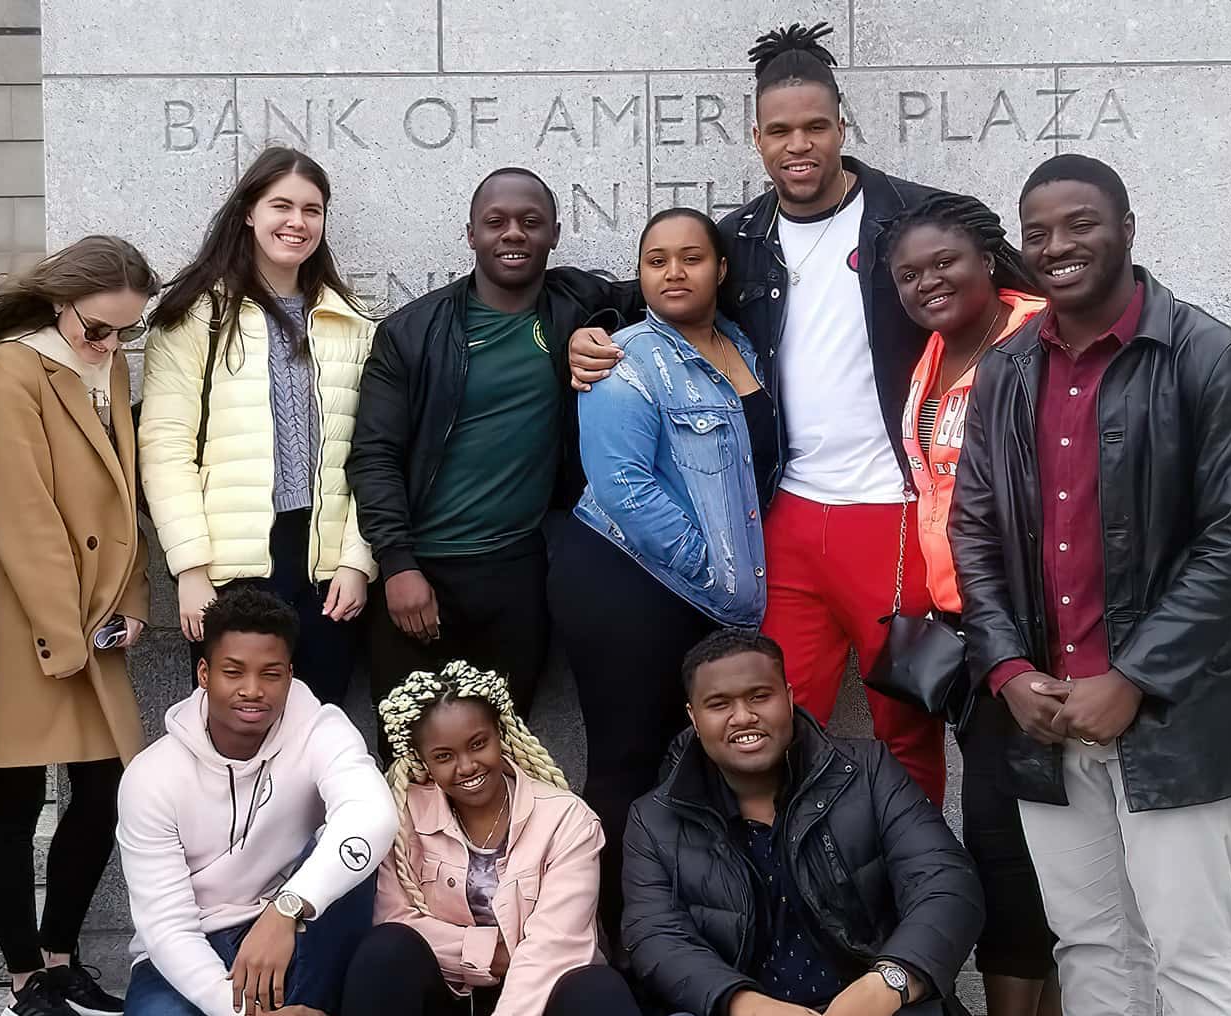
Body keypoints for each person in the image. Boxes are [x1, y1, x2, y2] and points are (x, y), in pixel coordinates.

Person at [951, 154, 1231, 1016]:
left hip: (1173, 719)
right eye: (1039, 230)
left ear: (1127, 229)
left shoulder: (1210, 358)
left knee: (1195, 954)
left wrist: (1133, 678)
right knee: (1091, 949)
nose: (1057, 246)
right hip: (1047, 722)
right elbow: (974, 533)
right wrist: (1009, 672)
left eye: (1080, 224)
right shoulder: (1009, 369)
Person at [568, 22, 950, 803]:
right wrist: (582, 334)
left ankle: (912, 900)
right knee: (773, 724)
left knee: (906, 724)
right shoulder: (742, 236)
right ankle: (790, 902)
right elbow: (659, 292)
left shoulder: (917, 219)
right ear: (756, 138)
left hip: (898, 516)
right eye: (779, 130)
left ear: (843, 126)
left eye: (815, 127)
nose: (798, 145)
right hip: (785, 521)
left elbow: (1010, 308)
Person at [554, 206, 775, 946]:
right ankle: (614, 946)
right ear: (639, 272)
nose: (674, 272)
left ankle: (693, 938)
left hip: (707, 593)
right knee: (627, 760)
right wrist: (714, 569)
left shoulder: (741, 343)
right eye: (656, 260)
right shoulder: (626, 357)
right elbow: (623, 486)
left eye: (691, 258)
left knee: (692, 764)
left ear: (720, 269)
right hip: (627, 579)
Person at [625, 630, 986, 1016]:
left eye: (760, 696)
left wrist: (887, 984)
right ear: (693, 718)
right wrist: (750, 1009)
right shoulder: (654, 818)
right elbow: (654, 935)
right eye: (719, 705)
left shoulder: (867, 772)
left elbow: (947, 882)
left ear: (790, 698)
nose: (743, 716)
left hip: (869, 1012)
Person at [0, 236, 158, 1016]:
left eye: (126, 333)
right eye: (100, 328)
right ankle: (20, 982)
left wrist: (135, 594)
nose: (111, 345)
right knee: (14, 794)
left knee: (107, 788)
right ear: (61, 300)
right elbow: (23, 510)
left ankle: (60, 955)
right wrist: (59, 629)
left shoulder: (102, 362)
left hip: (99, 611)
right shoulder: (11, 367)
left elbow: (124, 490)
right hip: (27, 617)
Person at [886, 193, 1064, 1016]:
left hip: (1035, 630)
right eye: (909, 274)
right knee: (1017, 836)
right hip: (969, 629)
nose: (928, 282)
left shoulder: (1034, 338)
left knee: (1008, 838)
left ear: (989, 257)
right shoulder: (934, 351)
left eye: (944, 263)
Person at [350, 167, 618, 715]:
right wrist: (398, 564)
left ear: (555, 234)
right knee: (408, 758)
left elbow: (671, 287)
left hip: (517, 573)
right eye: (496, 222)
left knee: (508, 749)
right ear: (471, 235)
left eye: (530, 222)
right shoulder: (410, 333)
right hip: (421, 574)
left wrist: (605, 325)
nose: (513, 233)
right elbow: (374, 454)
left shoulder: (575, 305)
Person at [118, 588, 398, 1016]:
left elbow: (372, 815)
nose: (253, 689)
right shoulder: (150, 777)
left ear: (290, 675)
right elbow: (166, 929)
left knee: (344, 861)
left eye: (271, 674)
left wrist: (287, 908)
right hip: (186, 960)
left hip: (291, 943)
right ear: (204, 674)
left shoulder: (319, 729)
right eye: (233, 672)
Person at [141, 146, 376, 706]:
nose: (297, 223)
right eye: (281, 206)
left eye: (312, 210)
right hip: (231, 565)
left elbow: (372, 451)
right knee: (234, 726)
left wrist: (357, 561)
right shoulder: (197, 315)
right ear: (249, 211)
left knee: (318, 725)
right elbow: (165, 447)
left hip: (323, 567)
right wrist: (191, 571)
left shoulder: (352, 322)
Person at [341, 661, 647, 1016]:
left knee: (601, 991)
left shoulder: (566, 819)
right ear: (424, 761)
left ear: (501, 735)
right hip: (451, 1008)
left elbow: (557, 945)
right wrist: (491, 953)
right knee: (385, 951)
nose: (466, 766)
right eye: (444, 756)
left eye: (478, 743)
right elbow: (397, 919)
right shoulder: (403, 817)